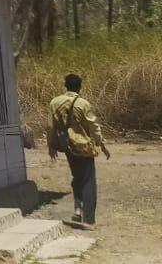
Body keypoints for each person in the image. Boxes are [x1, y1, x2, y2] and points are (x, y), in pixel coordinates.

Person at [48, 73, 110, 228]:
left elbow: (50, 126)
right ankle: (88, 219)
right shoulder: (83, 104)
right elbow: (93, 126)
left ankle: (77, 209)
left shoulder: (55, 102)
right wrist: (101, 144)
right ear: (79, 87)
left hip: (66, 145)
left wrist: (51, 145)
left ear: (65, 85)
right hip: (83, 145)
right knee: (88, 181)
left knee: (77, 176)